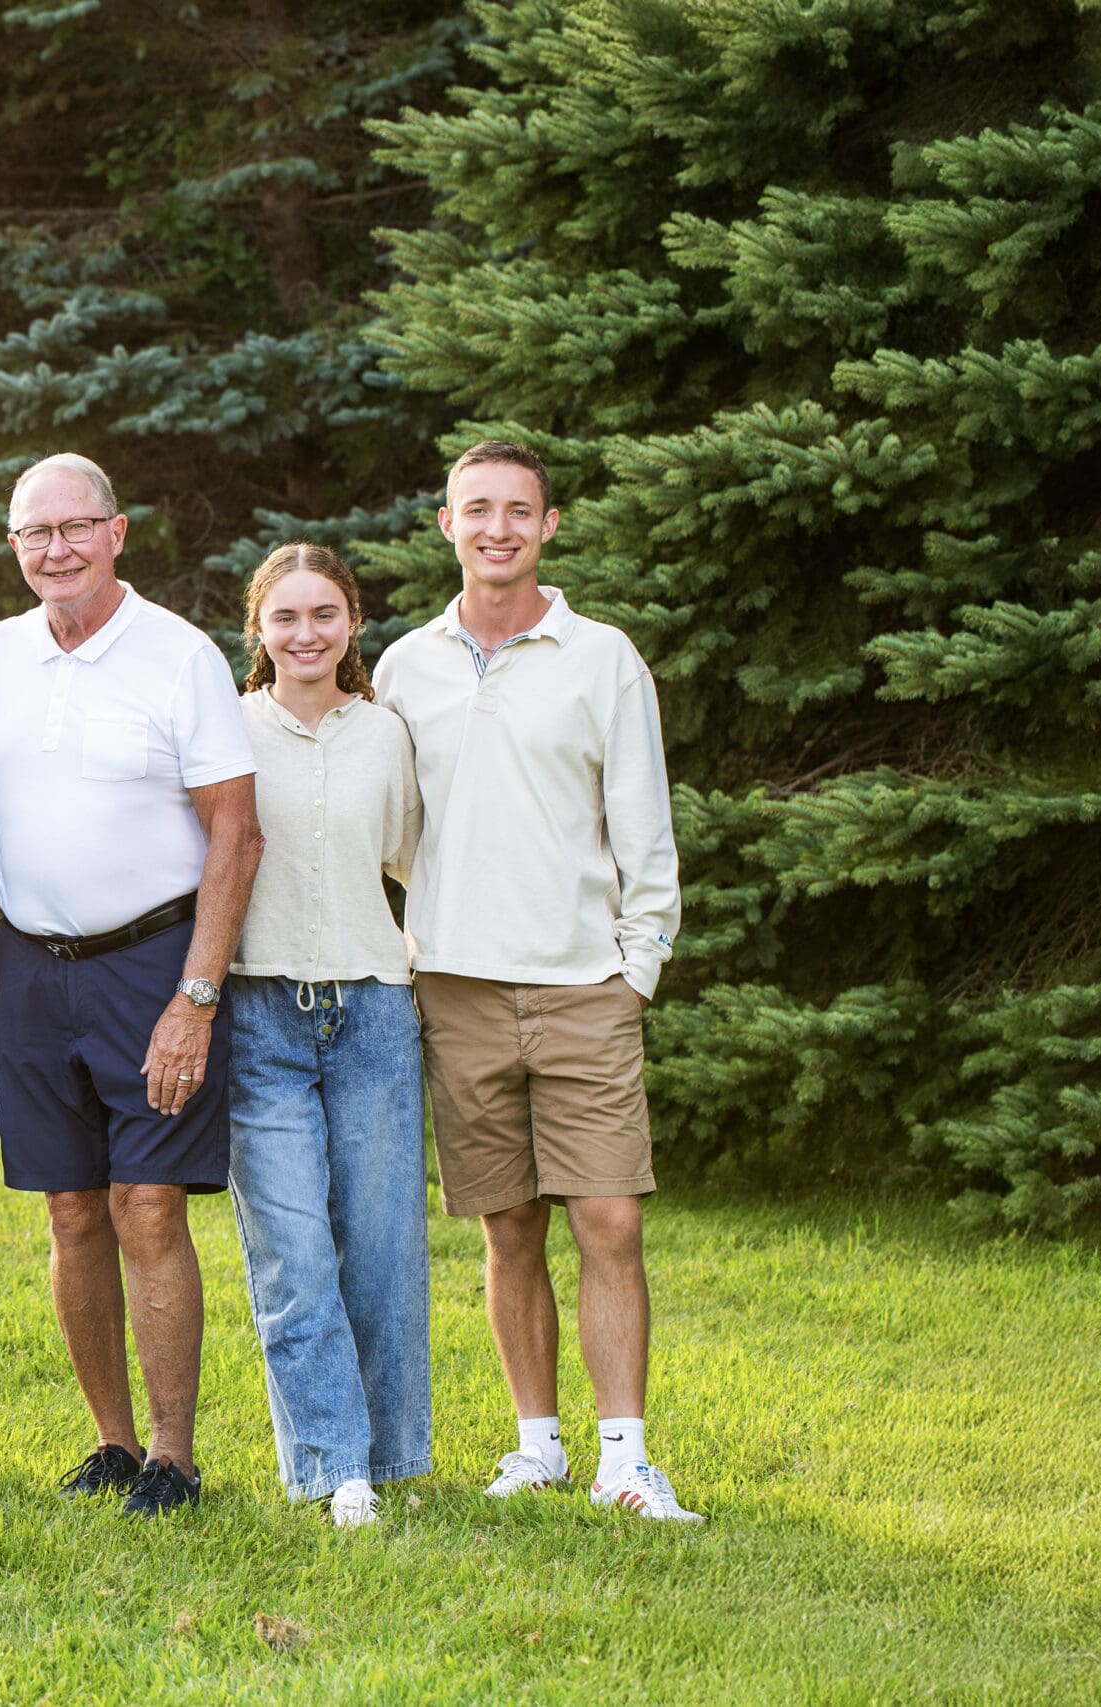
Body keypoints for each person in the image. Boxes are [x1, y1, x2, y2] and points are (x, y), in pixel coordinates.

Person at [373, 439, 700, 1523]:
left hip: (583, 985)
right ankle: (537, 1447)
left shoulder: (602, 659)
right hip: (455, 988)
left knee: (609, 1221)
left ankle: (625, 1461)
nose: (497, 528)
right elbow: (392, 828)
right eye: (477, 509)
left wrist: (635, 970)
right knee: (508, 1229)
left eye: (519, 510)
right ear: (446, 524)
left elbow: (644, 829)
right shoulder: (404, 667)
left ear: (549, 526)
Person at [0, 452, 263, 1517]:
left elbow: (236, 833)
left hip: (152, 967)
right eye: (36, 534)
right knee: (72, 1212)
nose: (58, 550)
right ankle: (113, 1443)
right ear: (14, 546)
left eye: (76, 527)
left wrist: (196, 997)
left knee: (147, 1205)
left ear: (117, 532)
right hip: (31, 972)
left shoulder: (179, 657)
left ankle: (175, 1456)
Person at [225, 544, 431, 1529]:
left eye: (324, 615)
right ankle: (333, 1464)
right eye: (285, 617)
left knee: (382, 1252)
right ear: (258, 630)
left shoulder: (387, 736)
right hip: (257, 1014)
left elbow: (415, 859)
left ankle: (387, 1458)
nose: (305, 634)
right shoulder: (227, 731)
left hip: (373, 1013)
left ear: (353, 623)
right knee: (292, 1255)